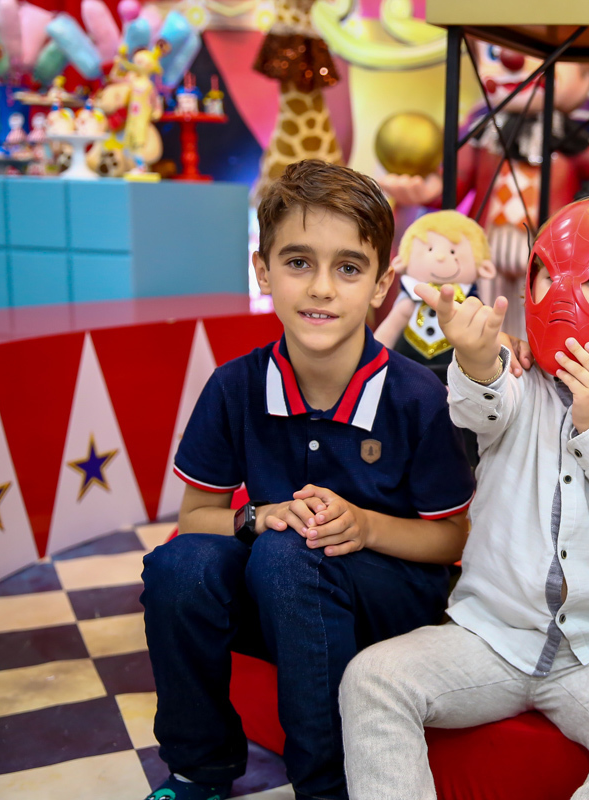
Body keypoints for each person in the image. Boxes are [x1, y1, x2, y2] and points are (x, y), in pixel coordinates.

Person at [139, 159, 476, 800]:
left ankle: (325, 786)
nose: (322, 288)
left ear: (381, 284)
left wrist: (365, 526)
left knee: (290, 553)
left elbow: (450, 539)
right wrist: (257, 516)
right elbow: (195, 518)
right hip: (278, 592)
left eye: (348, 268)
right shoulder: (234, 386)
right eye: (298, 262)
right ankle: (197, 770)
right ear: (263, 271)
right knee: (179, 566)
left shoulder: (416, 396)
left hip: (390, 604)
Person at [338, 198, 589, 799]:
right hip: (488, 638)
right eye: (549, 275)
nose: (564, 295)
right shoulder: (519, 376)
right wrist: (477, 360)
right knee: (371, 678)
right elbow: (478, 409)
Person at [373, 209, 497, 382]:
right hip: (406, 372)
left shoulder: (470, 304)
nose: (440, 257)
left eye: (453, 252)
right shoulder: (410, 301)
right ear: (402, 261)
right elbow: (389, 330)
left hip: (456, 377)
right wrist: (373, 359)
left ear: (484, 267)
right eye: (430, 249)